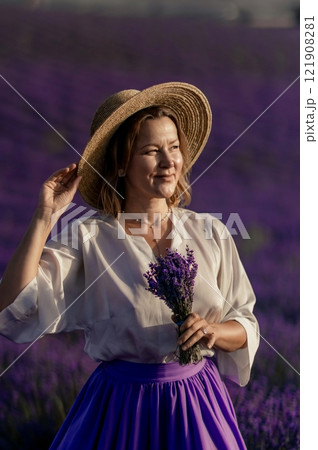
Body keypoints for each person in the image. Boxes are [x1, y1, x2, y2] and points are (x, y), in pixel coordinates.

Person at [0, 82, 259, 449]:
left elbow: (245, 322)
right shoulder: (90, 238)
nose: (169, 162)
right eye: (153, 151)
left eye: (174, 148)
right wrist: (45, 216)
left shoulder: (210, 231)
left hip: (197, 405)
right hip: (122, 411)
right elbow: (13, 307)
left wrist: (215, 332)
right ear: (120, 164)